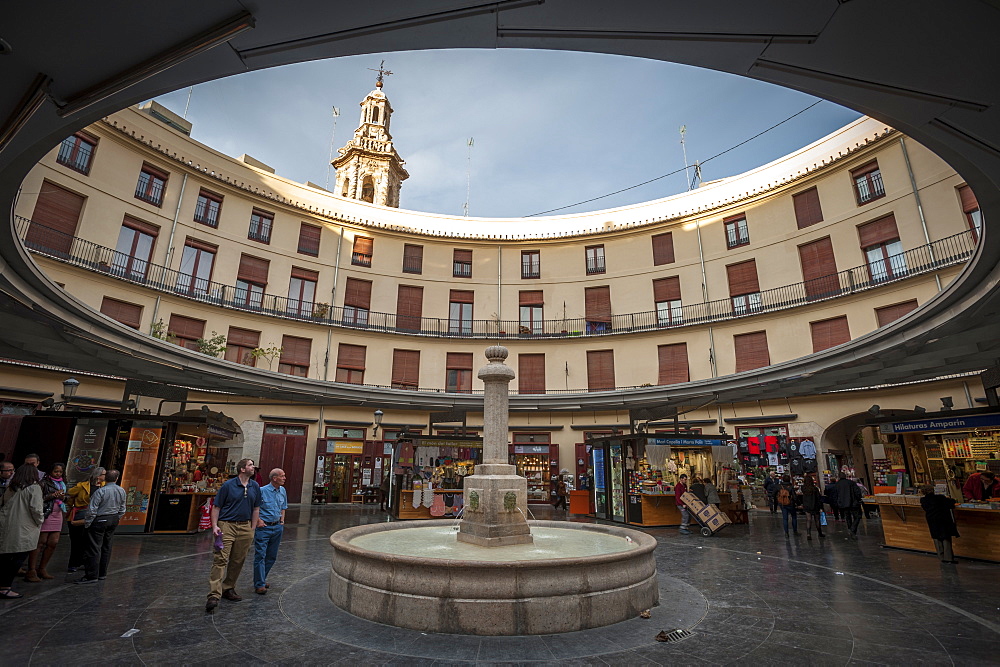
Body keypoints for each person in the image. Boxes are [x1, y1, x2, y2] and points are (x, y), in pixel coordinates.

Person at [206, 458, 260, 613]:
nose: (253, 467)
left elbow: (256, 508)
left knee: (238, 560)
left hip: (245, 526)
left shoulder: (254, 486)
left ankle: (228, 588)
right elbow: (216, 507)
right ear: (242, 469)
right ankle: (214, 594)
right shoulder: (228, 485)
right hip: (226, 525)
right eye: (250, 465)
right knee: (220, 558)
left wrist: (252, 528)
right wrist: (215, 525)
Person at [74, 469, 126, 584]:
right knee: (106, 546)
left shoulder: (101, 491)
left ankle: (92, 575)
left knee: (94, 547)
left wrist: (88, 523)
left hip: (100, 518)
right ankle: (102, 573)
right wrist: (117, 517)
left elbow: (92, 510)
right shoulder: (121, 490)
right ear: (116, 479)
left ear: (105, 478)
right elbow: (123, 508)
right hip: (113, 518)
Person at [0, 465, 44, 599]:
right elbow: (36, 509)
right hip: (24, 527)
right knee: (17, 558)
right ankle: (5, 587)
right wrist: (40, 520)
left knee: (5, 556)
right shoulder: (34, 488)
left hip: (7, 524)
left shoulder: (12, 487)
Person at [24, 463, 67, 582]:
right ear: (50, 472)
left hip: (58, 513)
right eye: (56, 471)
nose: (58, 474)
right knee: (41, 542)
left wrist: (63, 497)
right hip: (47, 512)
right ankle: (31, 570)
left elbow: (65, 498)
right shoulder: (43, 483)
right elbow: (39, 498)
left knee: (53, 542)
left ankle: (42, 568)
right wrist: (53, 495)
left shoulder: (62, 483)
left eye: (60, 472)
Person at [253, 468, 288, 595]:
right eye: (282, 476)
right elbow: (254, 507)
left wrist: (282, 521)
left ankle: (261, 578)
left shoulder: (282, 490)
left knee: (271, 556)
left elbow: (283, 507)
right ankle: (259, 584)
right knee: (260, 555)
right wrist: (259, 521)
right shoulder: (262, 491)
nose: (284, 478)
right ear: (274, 478)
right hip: (264, 527)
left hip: (277, 526)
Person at [66, 467, 105, 574]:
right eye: (103, 474)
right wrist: (70, 508)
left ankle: (86, 561)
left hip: (94, 517)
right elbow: (69, 494)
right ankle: (73, 563)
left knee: (90, 541)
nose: (105, 476)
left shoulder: (104, 487)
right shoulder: (82, 486)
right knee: (76, 541)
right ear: (98, 476)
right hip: (80, 515)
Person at [919, 484, 959, 563]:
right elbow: (951, 503)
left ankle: (941, 557)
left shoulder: (923, 500)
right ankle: (948, 558)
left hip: (931, 520)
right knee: (946, 538)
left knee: (936, 538)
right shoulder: (940, 498)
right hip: (943, 519)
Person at [835, 473, 863, 539]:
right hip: (853, 503)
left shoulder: (837, 484)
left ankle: (851, 529)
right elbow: (857, 492)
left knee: (848, 517)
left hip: (843, 503)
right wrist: (859, 499)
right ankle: (853, 529)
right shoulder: (851, 483)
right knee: (857, 516)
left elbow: (836, 494)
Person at [800, 474, 825, 540]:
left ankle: (808, 533)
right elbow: (818, 498)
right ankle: (820, 533)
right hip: (815, 505)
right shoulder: (815, 489)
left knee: (808, 520)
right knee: (817, 519)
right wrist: (821, 507)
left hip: (807, 505)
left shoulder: (803, 488)